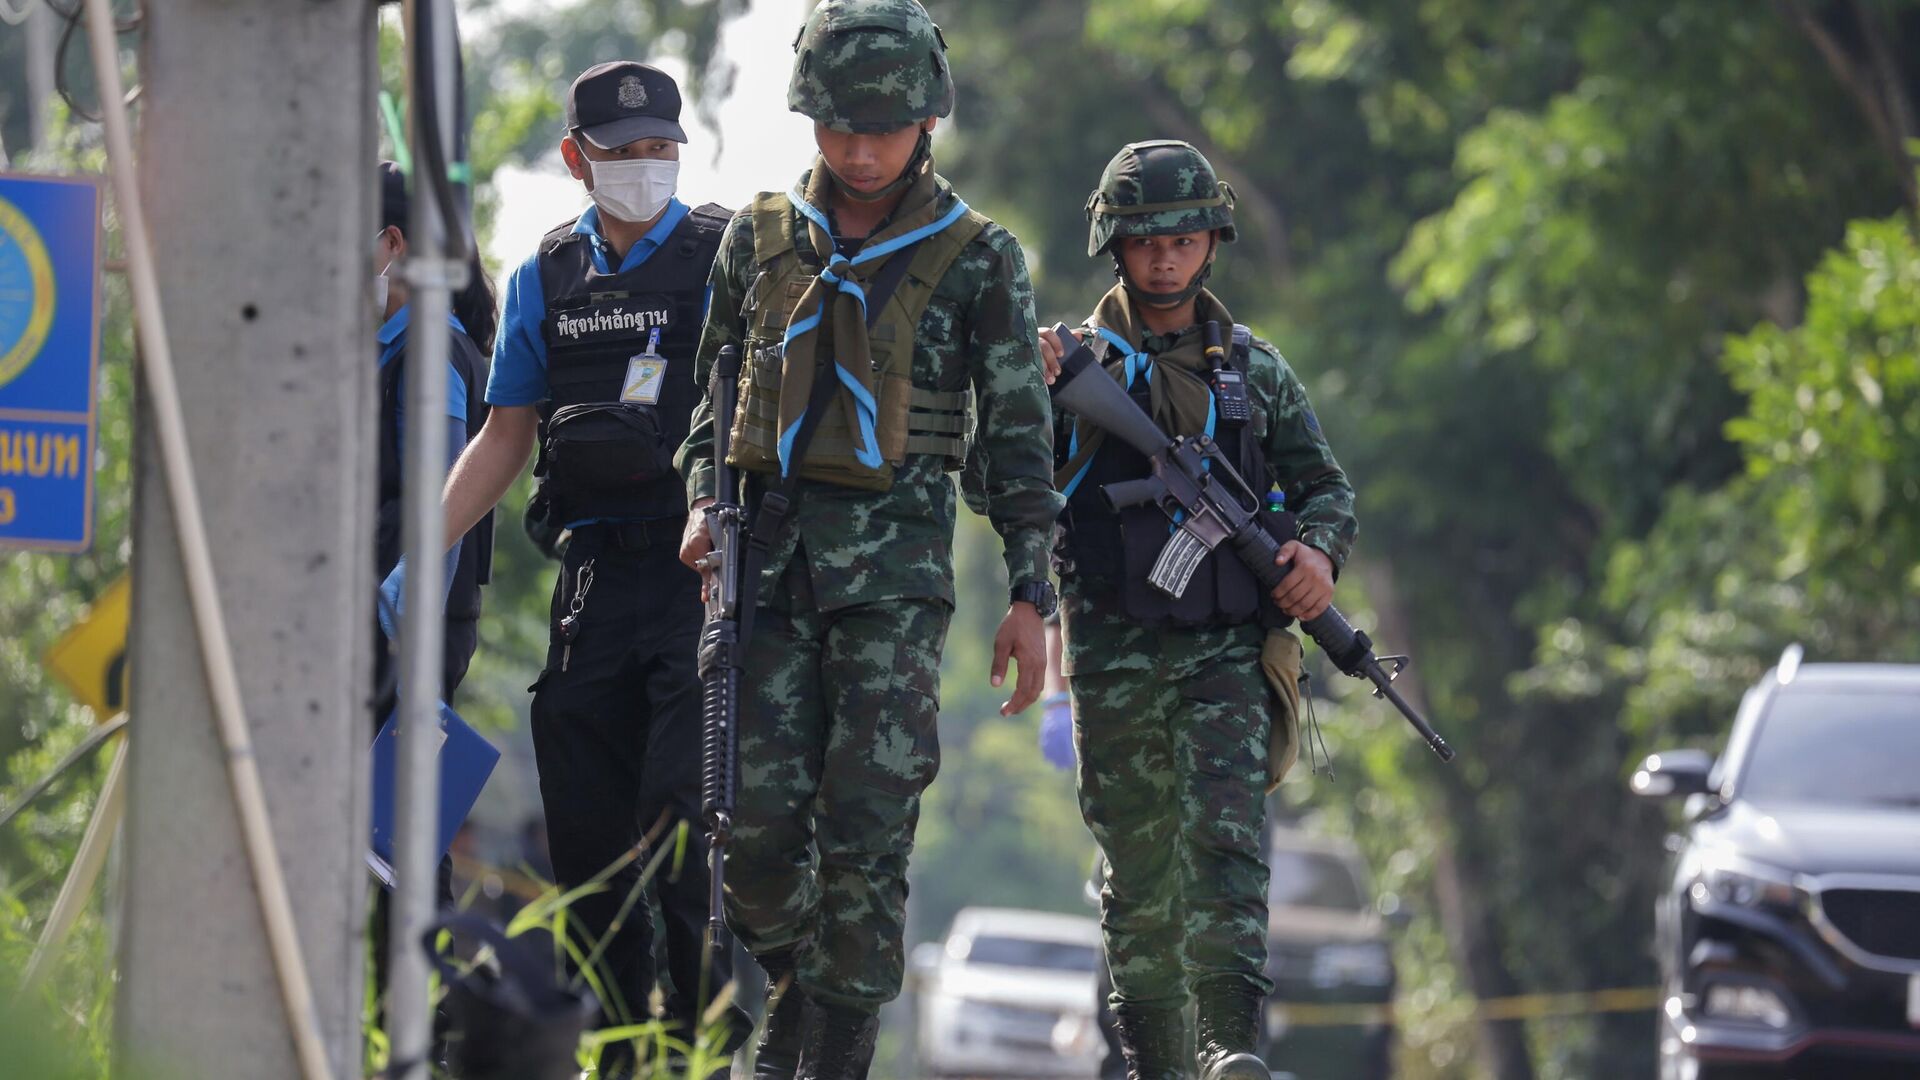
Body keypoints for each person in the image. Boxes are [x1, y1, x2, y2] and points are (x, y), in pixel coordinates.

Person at [675, 2, 1062, 1074]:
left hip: (892, 586)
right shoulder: (754, 242)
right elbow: (708, 408)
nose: (858, 147)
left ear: (929, 120)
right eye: (840, 124)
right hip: (764, 570)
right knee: (747, 828)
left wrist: (1034, 598)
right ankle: (800, 984)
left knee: (868, 830)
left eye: (882, 128)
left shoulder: (980, 259)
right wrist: (705, 501)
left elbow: (1021, 443)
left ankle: (835, 1046)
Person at [427, 60, 749, 1068]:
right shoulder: (546, 274)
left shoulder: (727, 255)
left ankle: (697, 1048)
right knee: (588, 854)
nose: (647, 169)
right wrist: (411, 555)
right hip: (593, 587)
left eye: (663, 149)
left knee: (682, 833)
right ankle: (619, 1052)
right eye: (624, 154)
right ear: (579, 159)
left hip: (701, 583)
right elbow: (504, 436)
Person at [1037, 139, 1358, 1080]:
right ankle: (1156, 1061)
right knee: (1137, 872)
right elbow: (1003, 485)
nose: (1165, 258)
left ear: (1212, 241)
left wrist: (1317, 555)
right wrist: (1044, 392)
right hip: (1111, 648)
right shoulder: (1070, 362)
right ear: (1115, 248)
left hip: (1223, 649)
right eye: (1144, 242)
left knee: (1227, 851)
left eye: (1182, 238)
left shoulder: (1256, 371)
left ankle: (1229, 1051)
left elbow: (1327, 488)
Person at [371, 159, 496, 715]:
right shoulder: (389, 350)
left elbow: (441, 494)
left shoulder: (429, 351)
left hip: (404, 632)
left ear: (392, 242)